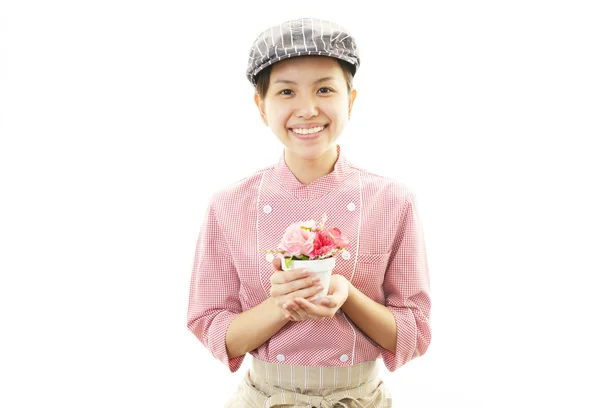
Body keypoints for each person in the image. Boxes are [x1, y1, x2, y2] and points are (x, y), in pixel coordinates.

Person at [187, 17, 431, 407]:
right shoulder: (229, 205)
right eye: (286, 91)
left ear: (350, 100)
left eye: (324, 89)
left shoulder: (392, 201)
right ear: (261, 107)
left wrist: (347, 293)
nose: (307, 109)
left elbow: (413, 333)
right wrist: (280, 305)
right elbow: (212, 327)